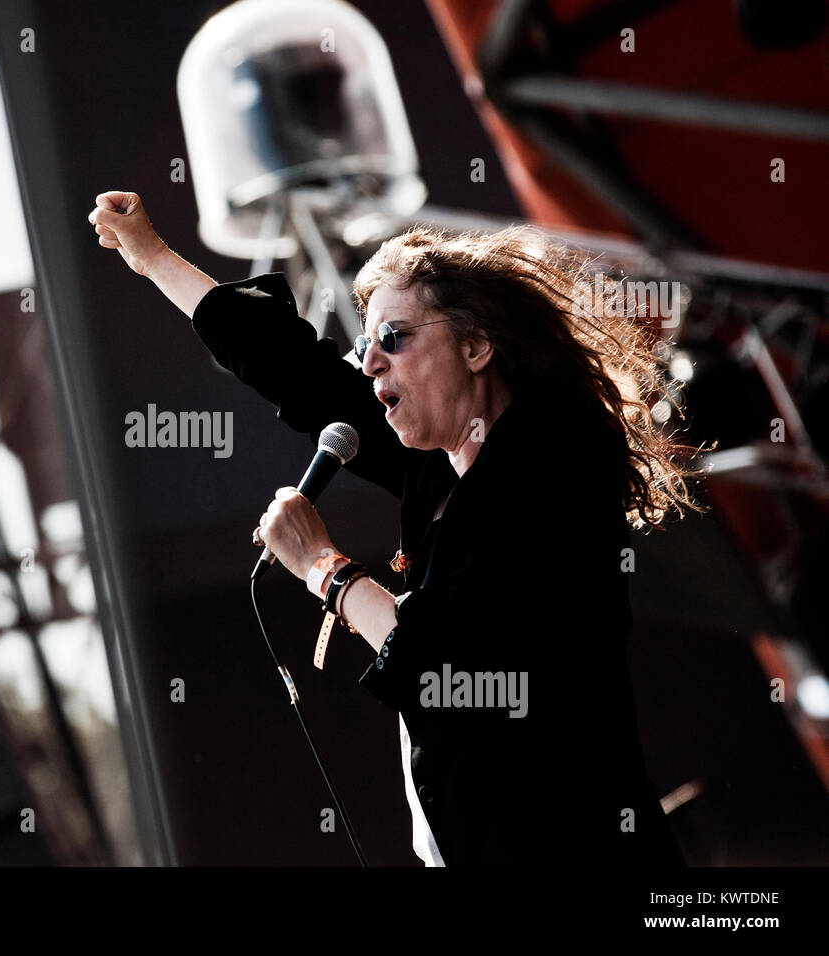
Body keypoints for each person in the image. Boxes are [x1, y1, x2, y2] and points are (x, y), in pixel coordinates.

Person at [88, 190, 701, 866]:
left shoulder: (546, 466)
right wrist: (153, 256)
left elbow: (446, 665)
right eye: (366, 344)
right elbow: (294, 369)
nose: (371, 361)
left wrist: (327, 569)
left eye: (395, 339)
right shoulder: (439, 475)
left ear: (474, 344)